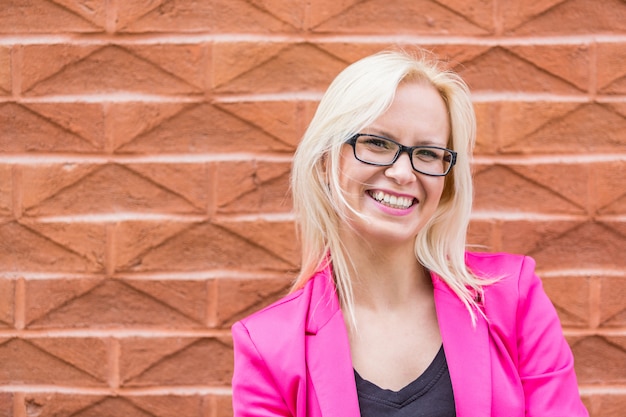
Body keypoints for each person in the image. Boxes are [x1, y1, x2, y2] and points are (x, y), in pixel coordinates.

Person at [231, 49, 589, 417]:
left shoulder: (513, 299)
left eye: (429, 153)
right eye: (377, 143)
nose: (403, 173)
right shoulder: (268, 346)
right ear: (325, 160)